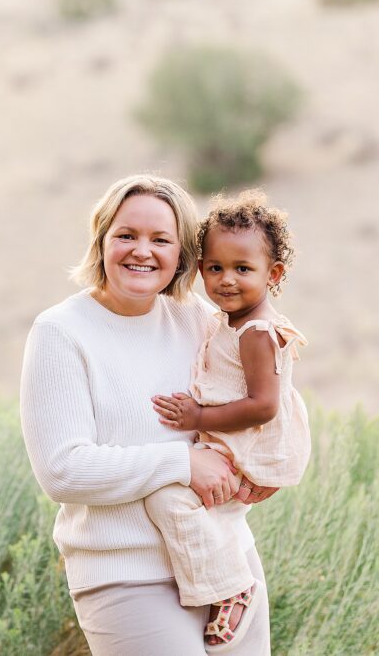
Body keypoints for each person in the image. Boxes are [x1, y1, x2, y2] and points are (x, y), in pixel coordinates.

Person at [20, 174, 274, 655]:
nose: (143, 251)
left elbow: (261, 398)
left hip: (228, 561)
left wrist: (264, 469)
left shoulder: (197, 319)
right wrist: (181, 463)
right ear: (101, 241)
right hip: (128, 577)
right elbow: (63, 470)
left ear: (184, 255)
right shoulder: (60, 333)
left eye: (161, 239)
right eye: (126, 235)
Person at [146, 190, 308, 651]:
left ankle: (229, 587)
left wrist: (198, 416)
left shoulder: (256, 333)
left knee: (169, 500)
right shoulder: (228, 321)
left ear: (273, 274)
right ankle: (218, 578)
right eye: (214, 267)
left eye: (243, 269)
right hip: (230, 442)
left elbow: (264, 404)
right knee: (195, 504)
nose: (226, 280)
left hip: (244, 443)